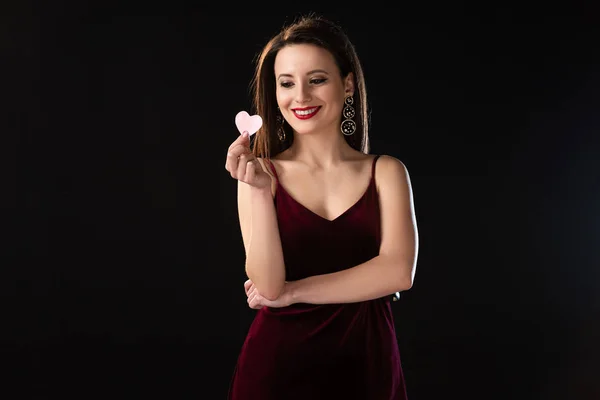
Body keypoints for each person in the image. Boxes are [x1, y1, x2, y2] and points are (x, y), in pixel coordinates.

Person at [224, 14, 418, 400]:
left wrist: (295, 293)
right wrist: (261, 192)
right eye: (287, 83)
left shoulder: (387, 171)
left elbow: (398, 271)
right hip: (277, 369)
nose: (301, 97)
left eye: (317, 80)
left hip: (367, 364)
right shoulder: (259, 174)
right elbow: (268, 285)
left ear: (347, 85)